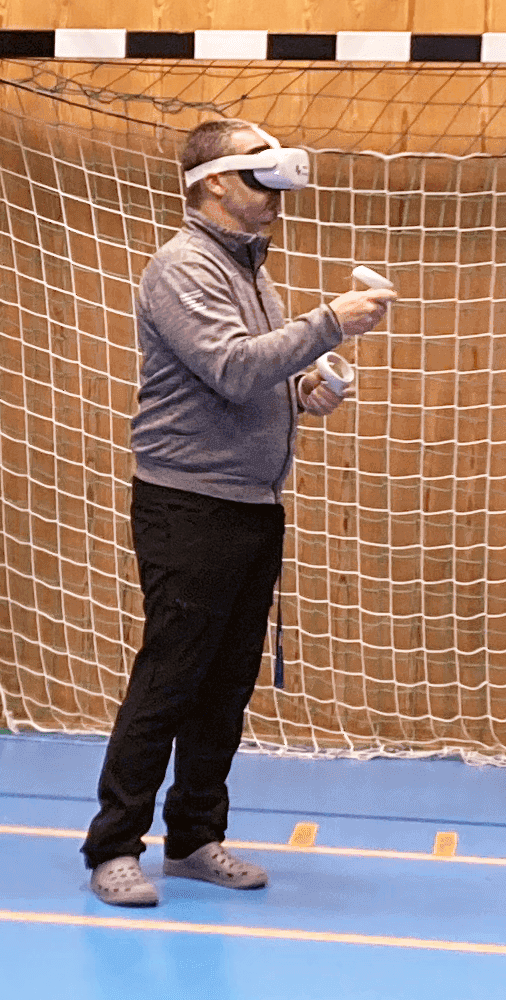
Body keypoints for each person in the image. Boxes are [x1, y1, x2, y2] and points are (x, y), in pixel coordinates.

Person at [82, 117, 391, 906]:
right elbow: (226, 365)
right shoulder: (182, 266)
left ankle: (193, 836)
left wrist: (306, 390)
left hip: (253, 502)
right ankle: (114, 844)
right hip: (187, 501)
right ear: (213, 182)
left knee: (225, 684)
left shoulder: (251, 271)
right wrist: (328, 322)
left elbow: (259, 375)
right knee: (172, 676)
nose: (274, 199)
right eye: (260, 181)